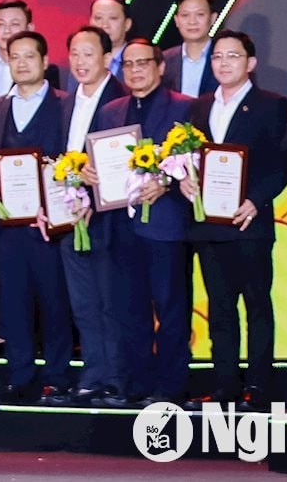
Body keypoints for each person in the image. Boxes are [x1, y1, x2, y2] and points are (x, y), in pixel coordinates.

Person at [187, 29, 287, 408]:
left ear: (251, 63)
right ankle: (225, 385)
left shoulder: (271, 105)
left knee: (257, 306)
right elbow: (189, 158)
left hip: (249, 224)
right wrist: (185, 180)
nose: (223, 63)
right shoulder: (199, 107)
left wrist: (256, 201)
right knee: (219, 310)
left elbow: (283, 162)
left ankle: (259, 386)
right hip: (209, 225)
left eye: (232, 56)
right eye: (217, 57)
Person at [92, 40, 194, 405]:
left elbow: (195, 162)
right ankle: (136, 383)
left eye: (143, 63)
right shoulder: (111, 111)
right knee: (129, 308)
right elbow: (101, 159)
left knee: (170, 308)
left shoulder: (185, 107)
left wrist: (166, 183)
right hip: (120, 224)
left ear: (160, 67)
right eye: (129, 64)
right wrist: (92, 174)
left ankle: (171, 386)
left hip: (166, 224)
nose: (135, 71)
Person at [0, 30, 70, 403]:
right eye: (14, 57)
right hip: (6, 224)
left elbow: (71, 158)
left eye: (29, 56)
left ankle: (58, 377)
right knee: (13, 303)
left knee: (54, 302)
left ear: (45, 61)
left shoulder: (66, 104)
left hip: (49, 225)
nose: (22, 63)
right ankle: (20, 375)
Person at [50, 24, 124, 406]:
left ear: (108, 58)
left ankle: (117, 377)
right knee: (83, 303)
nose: (80, 62)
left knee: (112, 302)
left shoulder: (121, 100)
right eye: (75, 54)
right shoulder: (65, 102)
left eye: (89, 54)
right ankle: (93, 374)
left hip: (109, 219)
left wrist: (93, 198)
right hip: (69, 217)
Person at [0, 0, 64, 96]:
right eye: (1, 24)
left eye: (15, 24)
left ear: (29, 28)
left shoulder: (44, 71)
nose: (7, 31)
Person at [161, 0, 220, 100]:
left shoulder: (225, 59)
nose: (192, 21)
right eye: (185, 15)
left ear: (213, 18)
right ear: (177, 20)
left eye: (200, 14)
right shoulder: (164, 60)